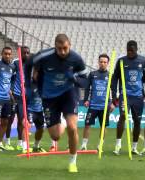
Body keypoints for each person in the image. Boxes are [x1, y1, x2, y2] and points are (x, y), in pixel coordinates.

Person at [32, 34, 88, 173]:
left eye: (65, 48)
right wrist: (33, 79)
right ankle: (62, 121)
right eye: (59, 49)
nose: (62, 52)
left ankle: (73, 162)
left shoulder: (77, 59)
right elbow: (33, 67)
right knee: (55, 136)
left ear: (70, 45)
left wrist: (74, 78)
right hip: (49, 97)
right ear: (54, 47)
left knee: (72, 127)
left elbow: (85, 82)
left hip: (69, 94)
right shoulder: (43, 56)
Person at [111, 40, 145, 155]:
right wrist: (114, 93)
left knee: (137, 120)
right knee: (122, 116)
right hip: (125, 94)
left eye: (132, 51)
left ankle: (134, 147)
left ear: (136, 49)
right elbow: (115, 77)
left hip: (138, 96)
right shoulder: (121, 60)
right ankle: (118, 145)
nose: (130, 53)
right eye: (128, 51)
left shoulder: (143, 60)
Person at [80, 53, 115, 151]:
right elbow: (87, 88)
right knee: (87, 125)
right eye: (101, 62)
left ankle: (100, 145)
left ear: (108, 63)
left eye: (105, 62)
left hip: (105, 106)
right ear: (98, 62)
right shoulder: (92, 74)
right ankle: (84, 145)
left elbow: (113, 90)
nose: (103, 63)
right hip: (93, 105)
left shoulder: (110, 76)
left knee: (103, 126)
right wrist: (86, 99)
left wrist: (113, 103)